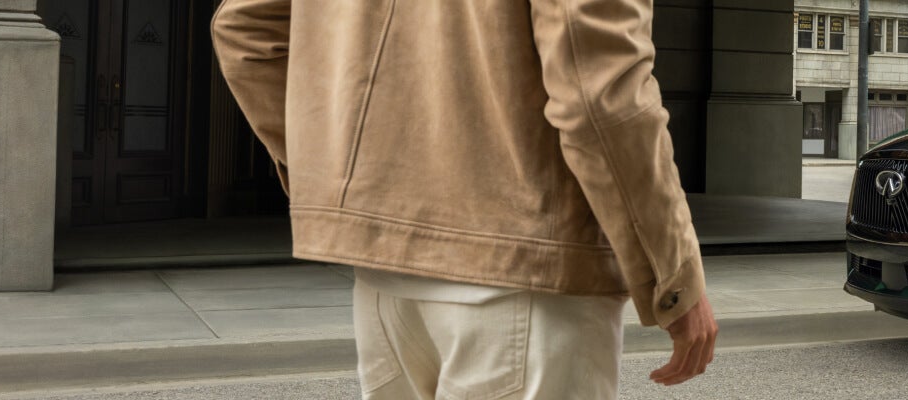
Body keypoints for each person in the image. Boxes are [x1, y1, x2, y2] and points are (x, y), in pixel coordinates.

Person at [211, 0, 717, 398]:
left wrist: (346, 176)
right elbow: (599, 91)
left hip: (387, 283)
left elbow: (244, 32)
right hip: (526, 269)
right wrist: (673, 275)